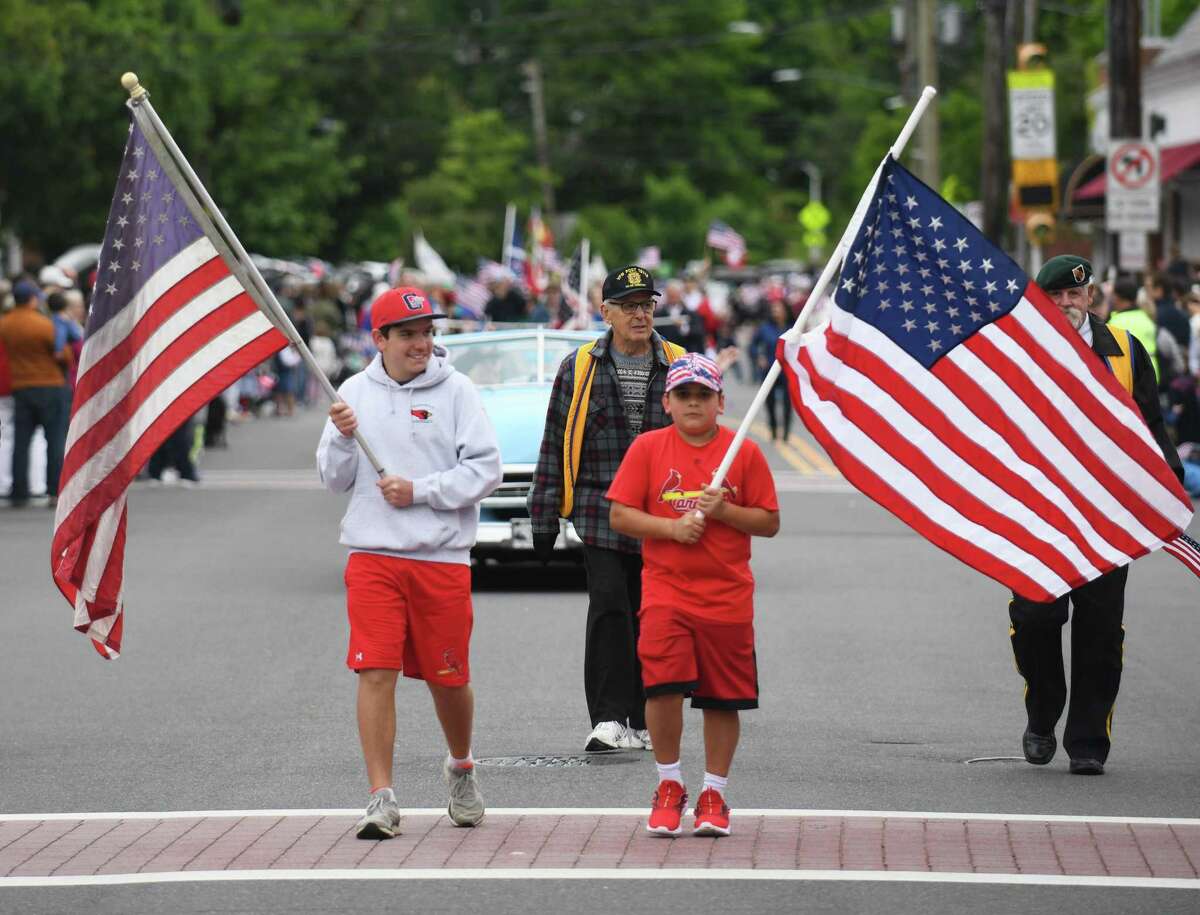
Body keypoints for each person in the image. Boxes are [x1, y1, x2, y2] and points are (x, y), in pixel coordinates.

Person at [317, 286, 502, 839]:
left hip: (440, 557)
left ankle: (461, 765)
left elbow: (485, 471)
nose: (421, 344)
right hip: (373, 555)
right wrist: (346, 440)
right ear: (379, 339)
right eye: (408, 334)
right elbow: (332, 479)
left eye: (427, 333)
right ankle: (381, 797)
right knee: (376, 671)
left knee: (449, 679)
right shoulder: (353, 392)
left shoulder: (458, 391)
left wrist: (420, 490)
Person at [1012, 256, 1183, 776]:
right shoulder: (1017, 349)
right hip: (1041, 514)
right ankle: (1043, 712)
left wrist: (1167, 489)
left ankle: (1087, 741)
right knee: (1036, 618)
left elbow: (1151, 428)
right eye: (1056, 295)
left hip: (1107, 516)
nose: (1066, 304)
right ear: (1042, 301)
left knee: (1101, 631)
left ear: (1091, 299)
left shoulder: (1126, 352)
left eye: (1075, 295)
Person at [607, 353, 779, 836]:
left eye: (704, 395)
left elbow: (769, 522)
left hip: (727, 596)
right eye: (684, 395)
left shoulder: (743, 452)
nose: (693, 403)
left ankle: (713, 793)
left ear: (721, 402)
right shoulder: (647, 448)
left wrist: (725, 512)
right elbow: (620, 515)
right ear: (667, 402)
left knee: (722, 698)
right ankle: (668, 784)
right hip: (666, 592)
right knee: (661, 689)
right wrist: (670, 528)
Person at [528, 265, 686, 752]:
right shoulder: (579, 367)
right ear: (606, 313)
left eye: (647, 305)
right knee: (610, 605)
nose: (640, 314)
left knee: (653, 614)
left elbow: (703, 437)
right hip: (600, 507)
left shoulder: (680, 362)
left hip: (662, 511)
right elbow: (555, 442)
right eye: (629, 306)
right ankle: (608, 718)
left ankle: (643, 718)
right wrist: (544, 514)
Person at [0, 279, 71, 507]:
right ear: (33, 298)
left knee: (21, 442)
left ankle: (19, 490)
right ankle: (54, 490)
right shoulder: (44, 324)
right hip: (50, 385)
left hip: (21, 386)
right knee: (54, 440)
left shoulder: (5, 324)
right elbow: (63, 354)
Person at [750, 295, 793, 442]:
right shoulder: (765, 328)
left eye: (779, 308)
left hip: (787, 370)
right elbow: (753, 346)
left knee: (788, 402)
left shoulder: (794, 327)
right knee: (770, 402)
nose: (776, 311)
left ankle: (786, 432)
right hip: (769, 368)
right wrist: (758, 357)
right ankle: (774, 430)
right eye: (774, 308)